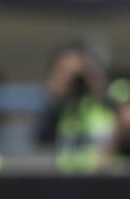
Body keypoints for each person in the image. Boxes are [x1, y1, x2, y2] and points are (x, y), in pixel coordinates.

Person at [35, 43, 117, 172]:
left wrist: (92, 80)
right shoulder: (57, 109)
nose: (76, 81)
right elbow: (41, 138)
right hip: (63, 178)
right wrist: (59, 90)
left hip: (104, 177)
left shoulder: (112, 108)